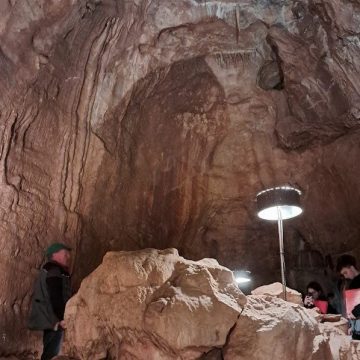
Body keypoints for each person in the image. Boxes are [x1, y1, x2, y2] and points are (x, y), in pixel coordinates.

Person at [28, 243, 72, 359]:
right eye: (65, 254)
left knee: (51, 348)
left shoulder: (54, 269)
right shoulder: (53, 269)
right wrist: (61, 318)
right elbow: (55, 295)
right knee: (51, 353)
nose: (68, 257)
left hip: (52, 317)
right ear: (55, 255)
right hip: (54, 318)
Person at [336, 254, 360, 340]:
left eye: (345, 272)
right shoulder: (351, 283)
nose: (345, 276)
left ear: (352, 267)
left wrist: (354, 312)